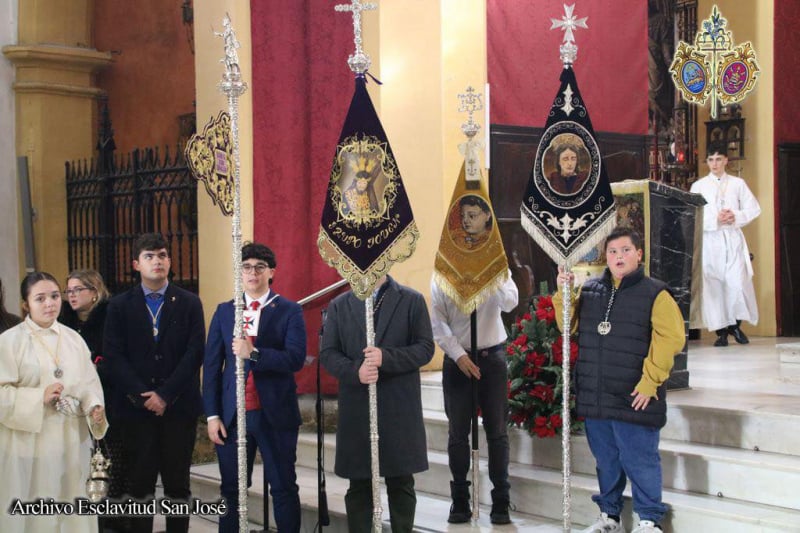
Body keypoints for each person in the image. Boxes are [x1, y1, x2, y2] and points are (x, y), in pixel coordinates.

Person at [554, 227, 685, 533]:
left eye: (626, 250)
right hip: (598, 394)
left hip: (635, 394)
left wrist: (650, 382)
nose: (619, 257)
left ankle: (649, 520)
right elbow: (567, 326)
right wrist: (564, 292)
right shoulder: (591, 290)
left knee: (640, 459)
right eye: (612, 252)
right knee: (607, 461)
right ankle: (609, 517)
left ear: (639, 254)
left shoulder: (656, 293)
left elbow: (670, 339)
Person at [104, 233, 205, 533]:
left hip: (178, 408)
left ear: (170, 261)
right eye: (149, 256)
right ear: (136, 264)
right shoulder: (119, 306)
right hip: (136, 410)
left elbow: (194, 352)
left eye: (162, 255)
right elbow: (113, 356)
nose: (157, 261)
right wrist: (142, 395)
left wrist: (165, 395)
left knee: (178, 485)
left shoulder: (189, 302)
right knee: (139, 485)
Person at [204, 243, 306, 533]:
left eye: (260, 267)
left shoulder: (289, 310)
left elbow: (295, 358)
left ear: (271, 272)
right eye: (246, 267)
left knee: (283, 486)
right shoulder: (225, 311)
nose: (252, 273)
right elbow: (212, 367)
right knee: (231, 488)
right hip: (233, 416)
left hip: (274, 413)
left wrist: (255, 354)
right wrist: (212, 415)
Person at [320, 274, 434, 532]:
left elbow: (425, 348)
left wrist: (387, 357)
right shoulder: (340, 304)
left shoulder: (411, 300)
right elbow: (328, 353)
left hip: (398, 405)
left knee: (401, 482)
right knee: (359, 484)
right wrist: (356, 371)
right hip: (358, 405)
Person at [0, 271, 107, 533]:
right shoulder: (9, 341)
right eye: (40, 298)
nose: (50, 303)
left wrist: (94, 406)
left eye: (55, 296)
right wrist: (38, 397)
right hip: (28, 445)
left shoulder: (73, 339)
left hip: (71, 441)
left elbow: (88, 383)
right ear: (26, 304)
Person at [430, 273, 518, 524]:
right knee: (458, 432)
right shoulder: (441, 274)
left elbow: (510, 302)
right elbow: (438, 322)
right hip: (457, 359)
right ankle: (460, 499)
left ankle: (500, 500)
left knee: (497, 431)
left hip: (492, 357)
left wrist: (491, 279)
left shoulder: (497, 267)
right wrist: (458, 355)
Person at [59, 269, 129, 531]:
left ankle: (113, 521)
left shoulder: (110, 318)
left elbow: (115, 357)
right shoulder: (63, 323)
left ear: (95, 291)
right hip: (73, 404)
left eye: (78, 290)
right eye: (69, 291)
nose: (72, 295)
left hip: (108, 400)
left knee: (110, 464)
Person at [690, 142, 761, 347]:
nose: (714, 164)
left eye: (718, 159)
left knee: (736, 283)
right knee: (714, 286)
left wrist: (734, 216)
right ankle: (721, 332)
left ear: (726, 160)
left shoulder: (738, 184)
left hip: (732, 239)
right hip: (710, 241)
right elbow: (693, 215)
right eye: (711, 160)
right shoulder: (699, 186)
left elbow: (753, 208)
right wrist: (715, 220)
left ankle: (735, 326)